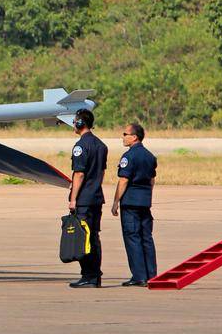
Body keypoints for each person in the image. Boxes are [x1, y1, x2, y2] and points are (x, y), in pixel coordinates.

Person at [65, 108, 108, 289]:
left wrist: (73, 198)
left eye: (75, 121)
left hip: (84, 199)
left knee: (84, 238)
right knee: (94, 236)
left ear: (81, 123)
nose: (73, 125)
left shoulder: (81, 146)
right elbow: (101, 172)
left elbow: (79, 174)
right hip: (96, 197)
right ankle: (95, 275)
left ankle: (88, 276)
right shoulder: (101, 145)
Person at [113, 121, 159, 286]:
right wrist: (148, 196)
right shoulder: (149, 156)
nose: (123, 137)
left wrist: (115, 202)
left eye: (125, 134)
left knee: (132, 237)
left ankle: (139, 276)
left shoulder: (129, 156)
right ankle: (151, 275)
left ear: (134, 137)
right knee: (146, 237)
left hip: (131, 203)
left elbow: (124, 180)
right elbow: (152, 180)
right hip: (145, 202)